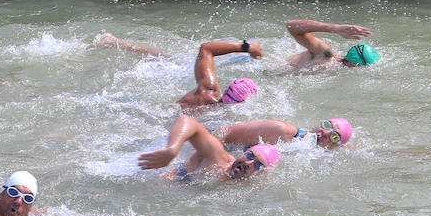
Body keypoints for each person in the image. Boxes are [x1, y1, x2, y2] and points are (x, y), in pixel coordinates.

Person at [92, 33, 261, 109]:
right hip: (157, 114)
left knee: (173, 58)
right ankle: (116, 43)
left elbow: (206, 48)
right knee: (174, 59)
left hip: (157, 111)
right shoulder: (221, 118)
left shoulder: (207, 91)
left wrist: (245, 47)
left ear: (226, 90)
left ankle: (116, 43)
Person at [138, 115, 280, 181]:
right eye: (249, 156)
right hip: (159, 177)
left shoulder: (245, 183)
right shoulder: (217, 158)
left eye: (257, 165)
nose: (248, 164)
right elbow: (187, 121)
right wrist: (171, 150)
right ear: (244, 153)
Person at [216, 117, 354, 151]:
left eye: (334, 136)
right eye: (327, 125)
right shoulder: (282, 130)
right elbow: (222, 133)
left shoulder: (309, 152)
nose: (325, 133)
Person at [286, 19, 379, 69]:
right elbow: (291, 25)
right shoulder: (325, 55)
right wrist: (334, 28)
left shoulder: (335, 70)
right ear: (353, 64)